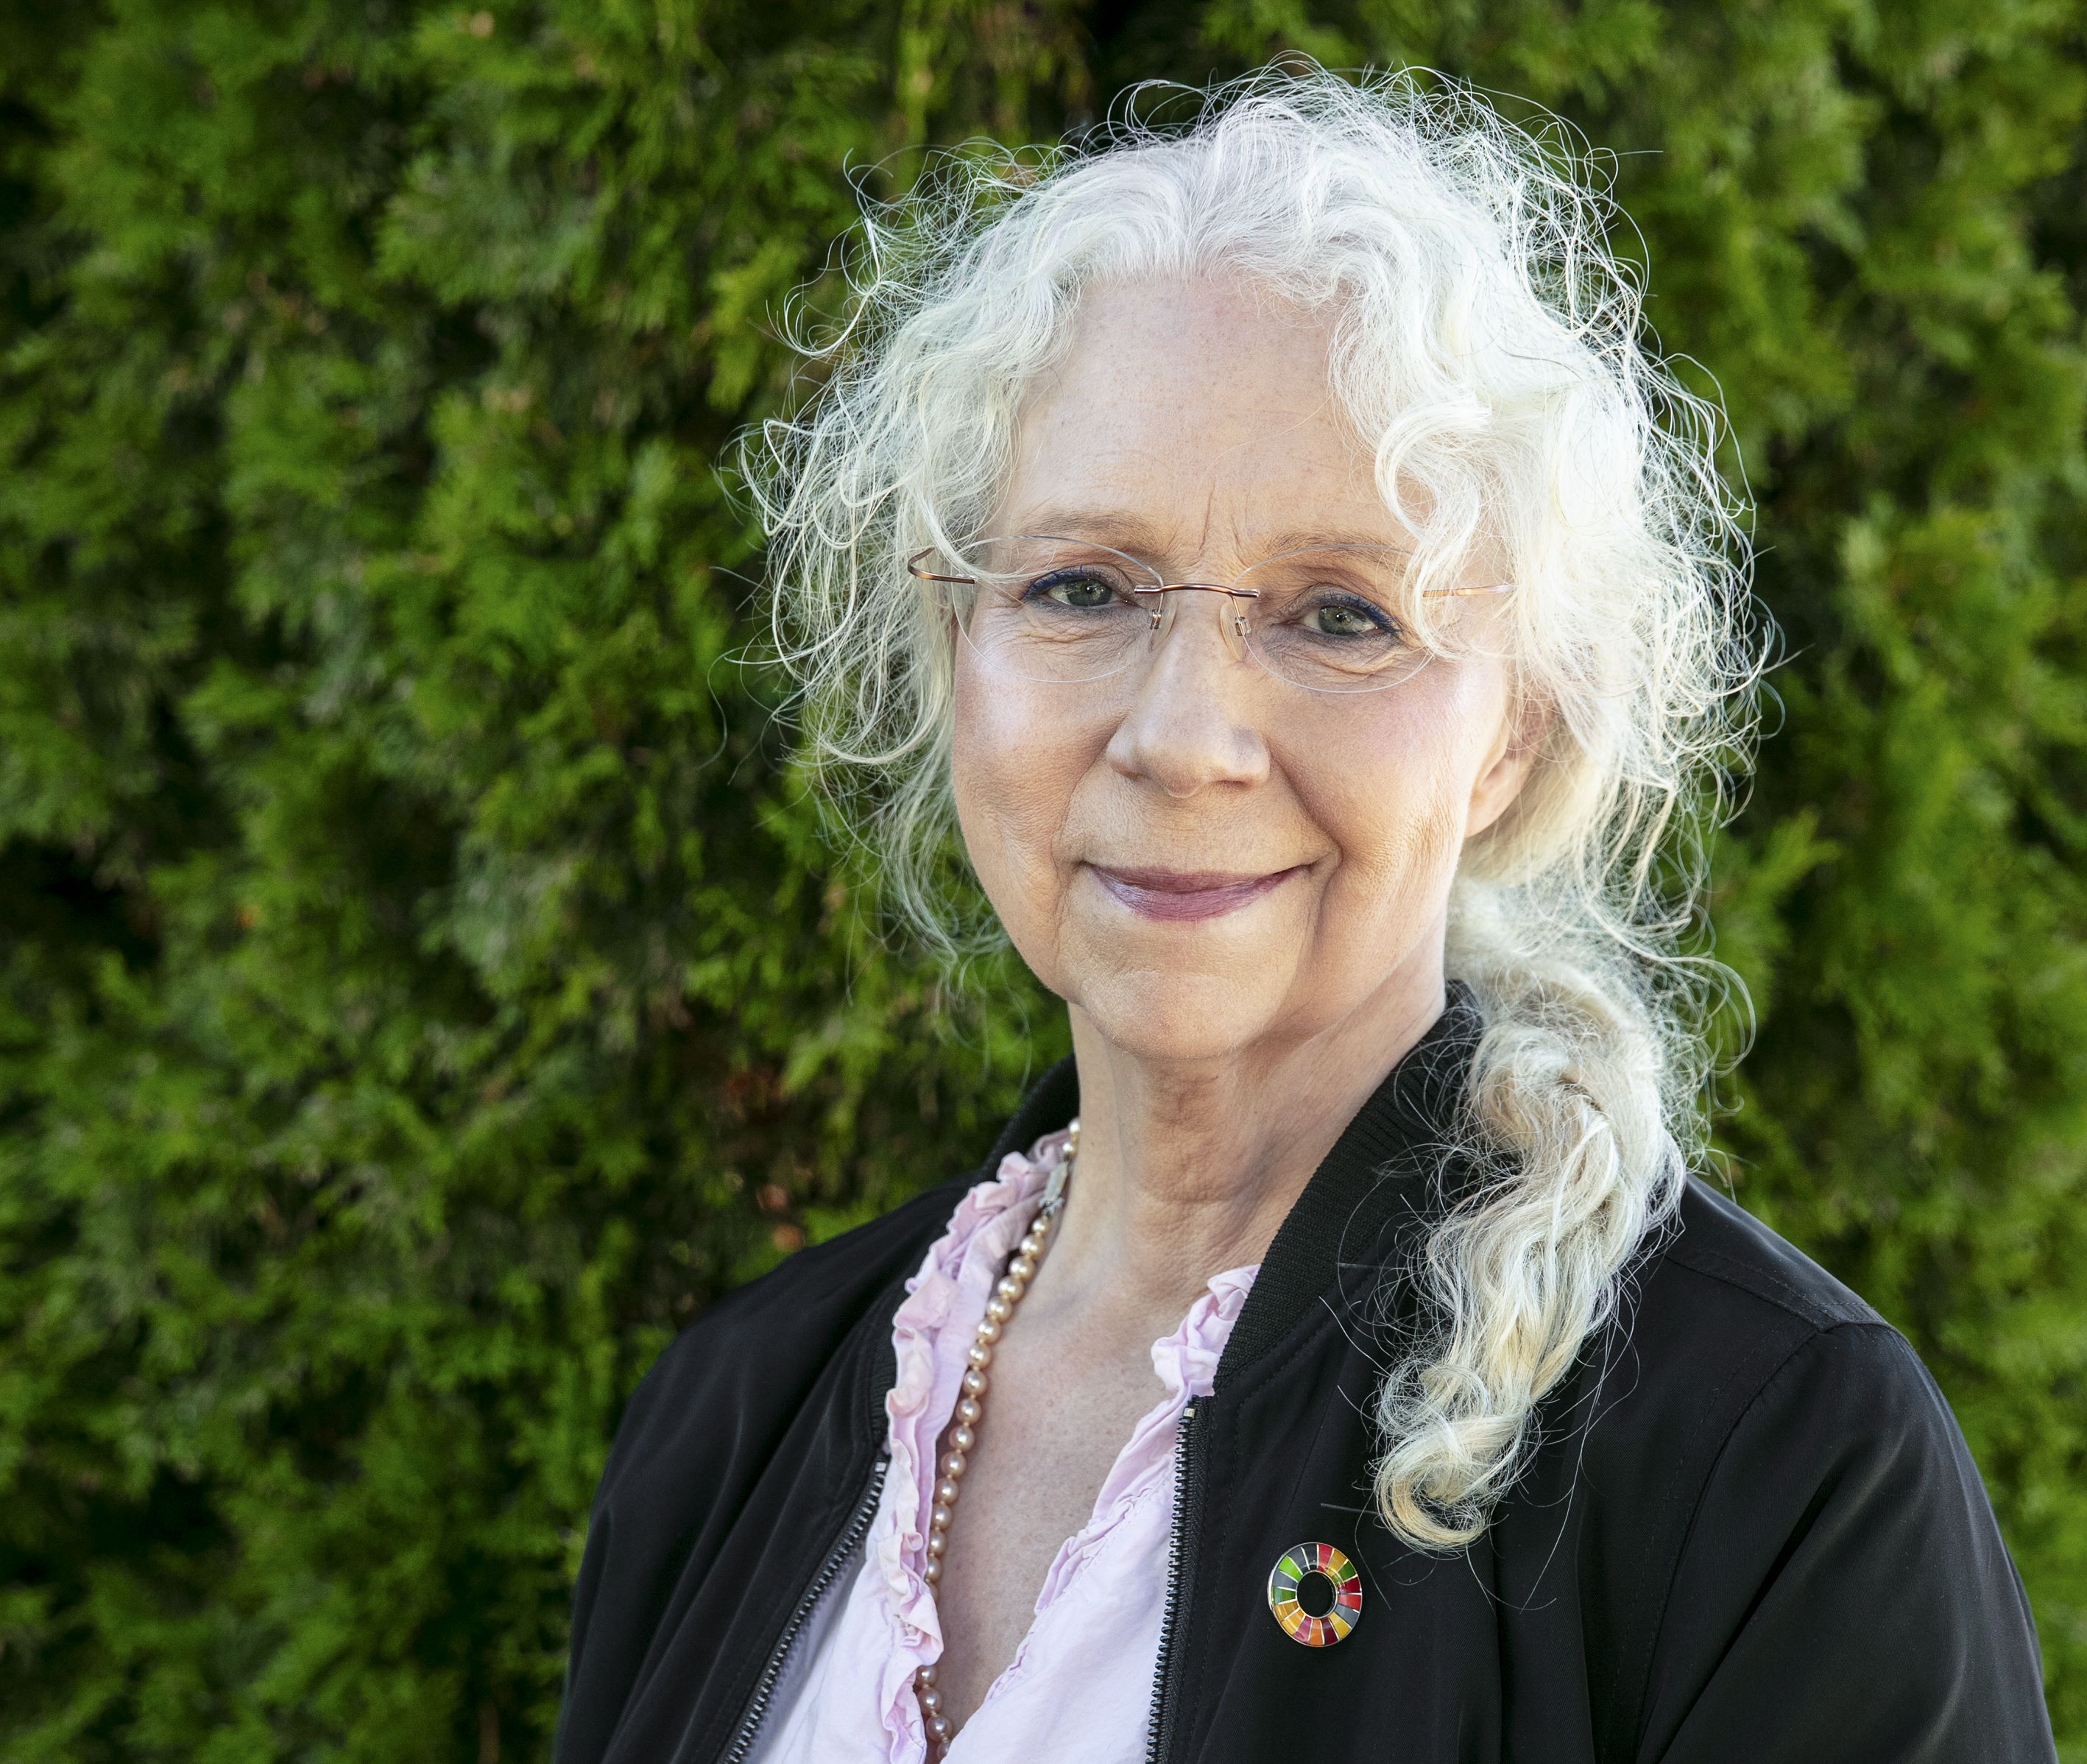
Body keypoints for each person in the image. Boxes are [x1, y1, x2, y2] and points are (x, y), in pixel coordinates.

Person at [553, 68, 2056, 1764]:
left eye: (1340, 616)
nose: (1183, 736)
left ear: (1511, 731)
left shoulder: (1764, 1461)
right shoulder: (737, 1414)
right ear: (955, 647)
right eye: (1078, 587)